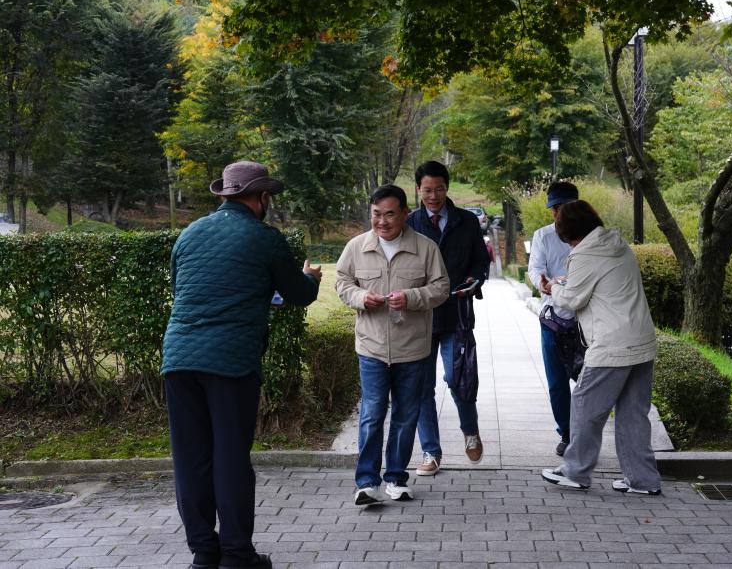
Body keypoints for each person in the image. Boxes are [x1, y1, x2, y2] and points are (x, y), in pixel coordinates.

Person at [162, 161, 322, 569]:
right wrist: (312, 278)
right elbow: (299, 294)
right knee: (230, 458)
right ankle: (236, 554)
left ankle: (203, 553)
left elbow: (184, 290)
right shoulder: (264, 238)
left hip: (179, 359)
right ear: (262, 197)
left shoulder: (190, 233)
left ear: (226, 195)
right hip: (230, 363)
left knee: (191, 458)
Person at [335, 184, 449, 505]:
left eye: (389, 214)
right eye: (376, 214)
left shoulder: (425, 248)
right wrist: (360, 297)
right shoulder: (356, 247)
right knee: (372, 413)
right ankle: (367, 482)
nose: (382, 221)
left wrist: (411, 297)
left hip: (412, 348)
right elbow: (342, 282)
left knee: (405, 414)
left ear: (404, 214)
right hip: (371, 347)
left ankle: (396, 478)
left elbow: (441, 287)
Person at [539, 200, 661, 496]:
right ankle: (642, 480)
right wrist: (566, 283)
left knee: (583, 403)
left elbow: (571, 301)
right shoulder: (616, 244)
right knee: (633, 414)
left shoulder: (584, 254)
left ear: (566, 233)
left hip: (612, 344)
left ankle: (575, 471)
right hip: (641, 341)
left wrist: (551, 288)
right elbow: (601, 284)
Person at [406, 160, 491, 476]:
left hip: (456, 312)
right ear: (418, 189)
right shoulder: (411, 222)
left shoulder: (466, 221)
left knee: (459, 377)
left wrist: (475, 281)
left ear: (447, 187)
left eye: (439, 189)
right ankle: (431, 451)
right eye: (427, 190)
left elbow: (481, 263)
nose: (433, 196)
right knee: (421, 387)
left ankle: (470, 429)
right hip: (419, 317)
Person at [527, 181, 584, 457]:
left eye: (565, 207)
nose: (559, 214)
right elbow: (535, 269)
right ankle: (568, 432)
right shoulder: (543, 236)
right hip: (554, 319)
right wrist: (549, 284)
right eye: (555, 209)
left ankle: (585, 431)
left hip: (586, 318)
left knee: (589, 378)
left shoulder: (593, 236)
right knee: (557, 380)